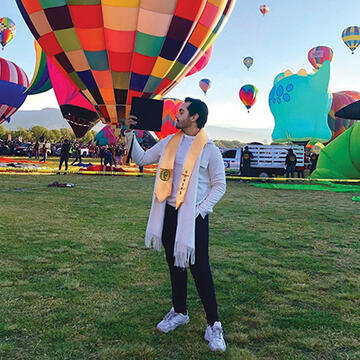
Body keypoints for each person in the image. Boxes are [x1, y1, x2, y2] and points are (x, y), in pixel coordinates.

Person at [124, 97, 227, 352]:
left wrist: (200, 211)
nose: (176, 114)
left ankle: (214, 325)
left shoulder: (210, 149)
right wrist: (129, 133)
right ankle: (179, 311)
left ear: (194, 117)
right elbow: (142, 158)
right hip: (169, 213)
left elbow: (220, 185)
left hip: (193, 219)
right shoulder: (170, 142)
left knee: (200, 270)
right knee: (175, 264)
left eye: (181, 111)